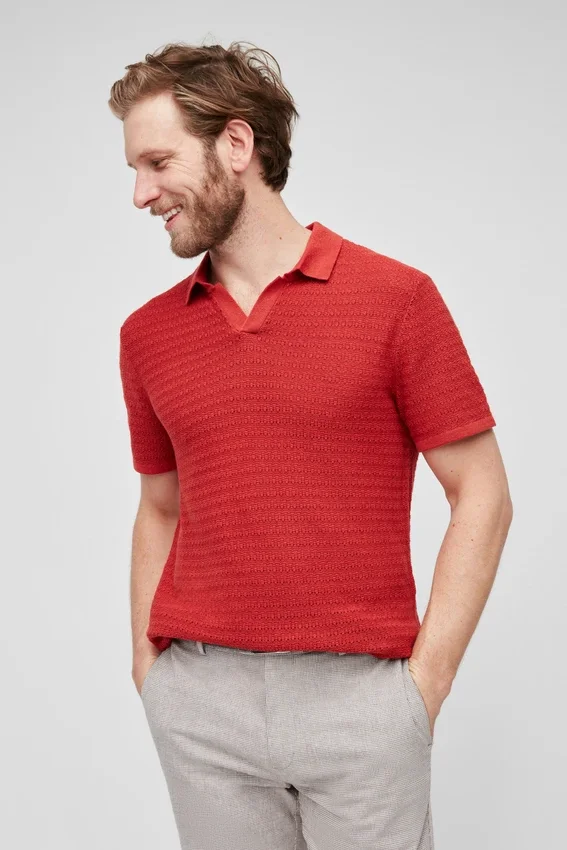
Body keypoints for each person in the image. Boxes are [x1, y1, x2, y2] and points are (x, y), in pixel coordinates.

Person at [110, 40, 513, 850]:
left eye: (157, 162)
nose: (140, 193)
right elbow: (159, 506)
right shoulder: (147, 335)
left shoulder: (396, 300)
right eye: (134, 169)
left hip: (360, 704)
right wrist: (150, 671)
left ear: (235, 143)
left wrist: (422, 687)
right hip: (201, 704)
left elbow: (482, 493)